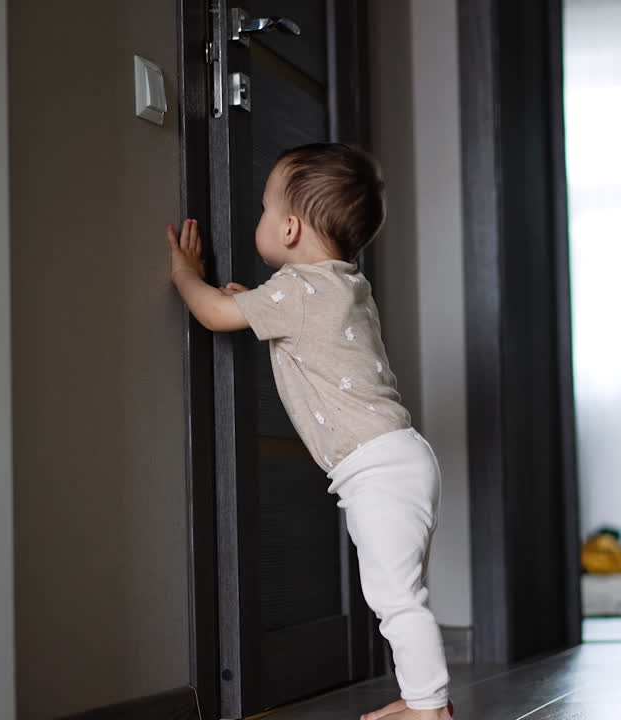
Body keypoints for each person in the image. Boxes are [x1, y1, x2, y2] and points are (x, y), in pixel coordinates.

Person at [165, 143, 453, 720]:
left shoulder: (296, 291)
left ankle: (431, 710)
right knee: (400, 592)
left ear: (290, 228)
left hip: (376, 469)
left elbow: (214, 314)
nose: (262, 219)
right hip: (400, 459)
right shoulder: (344, 285)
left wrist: (185, 274)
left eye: (265, 209)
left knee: (395, 597)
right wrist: (254, 302)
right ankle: (419, 696)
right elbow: (292, 321)